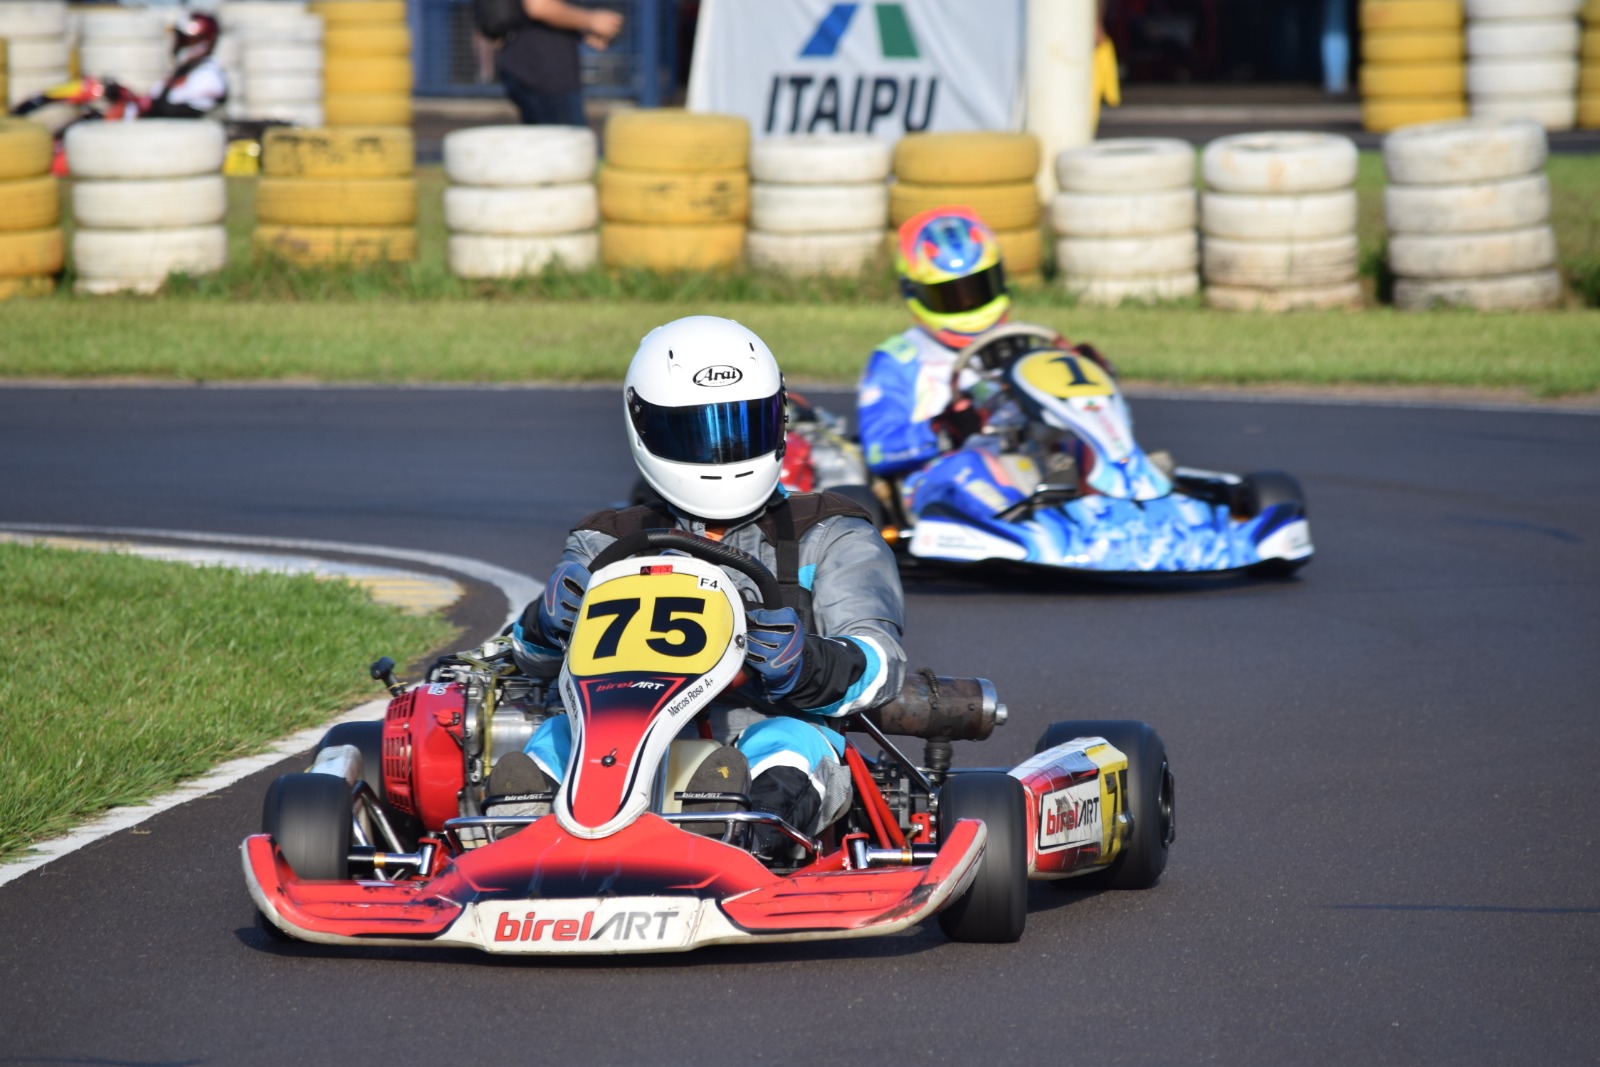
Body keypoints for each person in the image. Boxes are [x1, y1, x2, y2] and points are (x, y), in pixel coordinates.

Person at [497, 315, 907, 856]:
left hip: (764, 724)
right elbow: (528, 658)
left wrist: (808, 663)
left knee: (784, 751)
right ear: (647, 429)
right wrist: (542, 624)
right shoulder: (604, 540)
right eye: (697, 431)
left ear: (777, 420)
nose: (725, 450)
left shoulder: (831, 533)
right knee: (549, 747)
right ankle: (517, 848)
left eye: (743, 425)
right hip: (616, 731)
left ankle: (744, 844)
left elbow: (882, 662)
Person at [856, 206, 1112, 526]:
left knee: (1082, 446)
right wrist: (944, 430)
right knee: (969, 465)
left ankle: (1127, 501)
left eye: (978, 288)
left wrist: (1088, 376)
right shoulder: (899, 358)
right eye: (950, 295)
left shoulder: (1023, 342)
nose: (969, 304)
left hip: (1030, 462)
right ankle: (1025, 524)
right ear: (915, 292)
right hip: (941, 475)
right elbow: (879, 450)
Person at [496, 0, 623, 126]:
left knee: (542, 142)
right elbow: (540, 6)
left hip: (535, 67)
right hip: (544, 72)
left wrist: (583, 27)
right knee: (567, 142)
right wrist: (591, 20)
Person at [143, 12, 228, 118]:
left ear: (203, 40)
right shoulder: (182, 71)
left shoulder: (209, 74)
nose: (179, 44)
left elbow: (179, 109)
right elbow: (154, 97)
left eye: (185, 40)